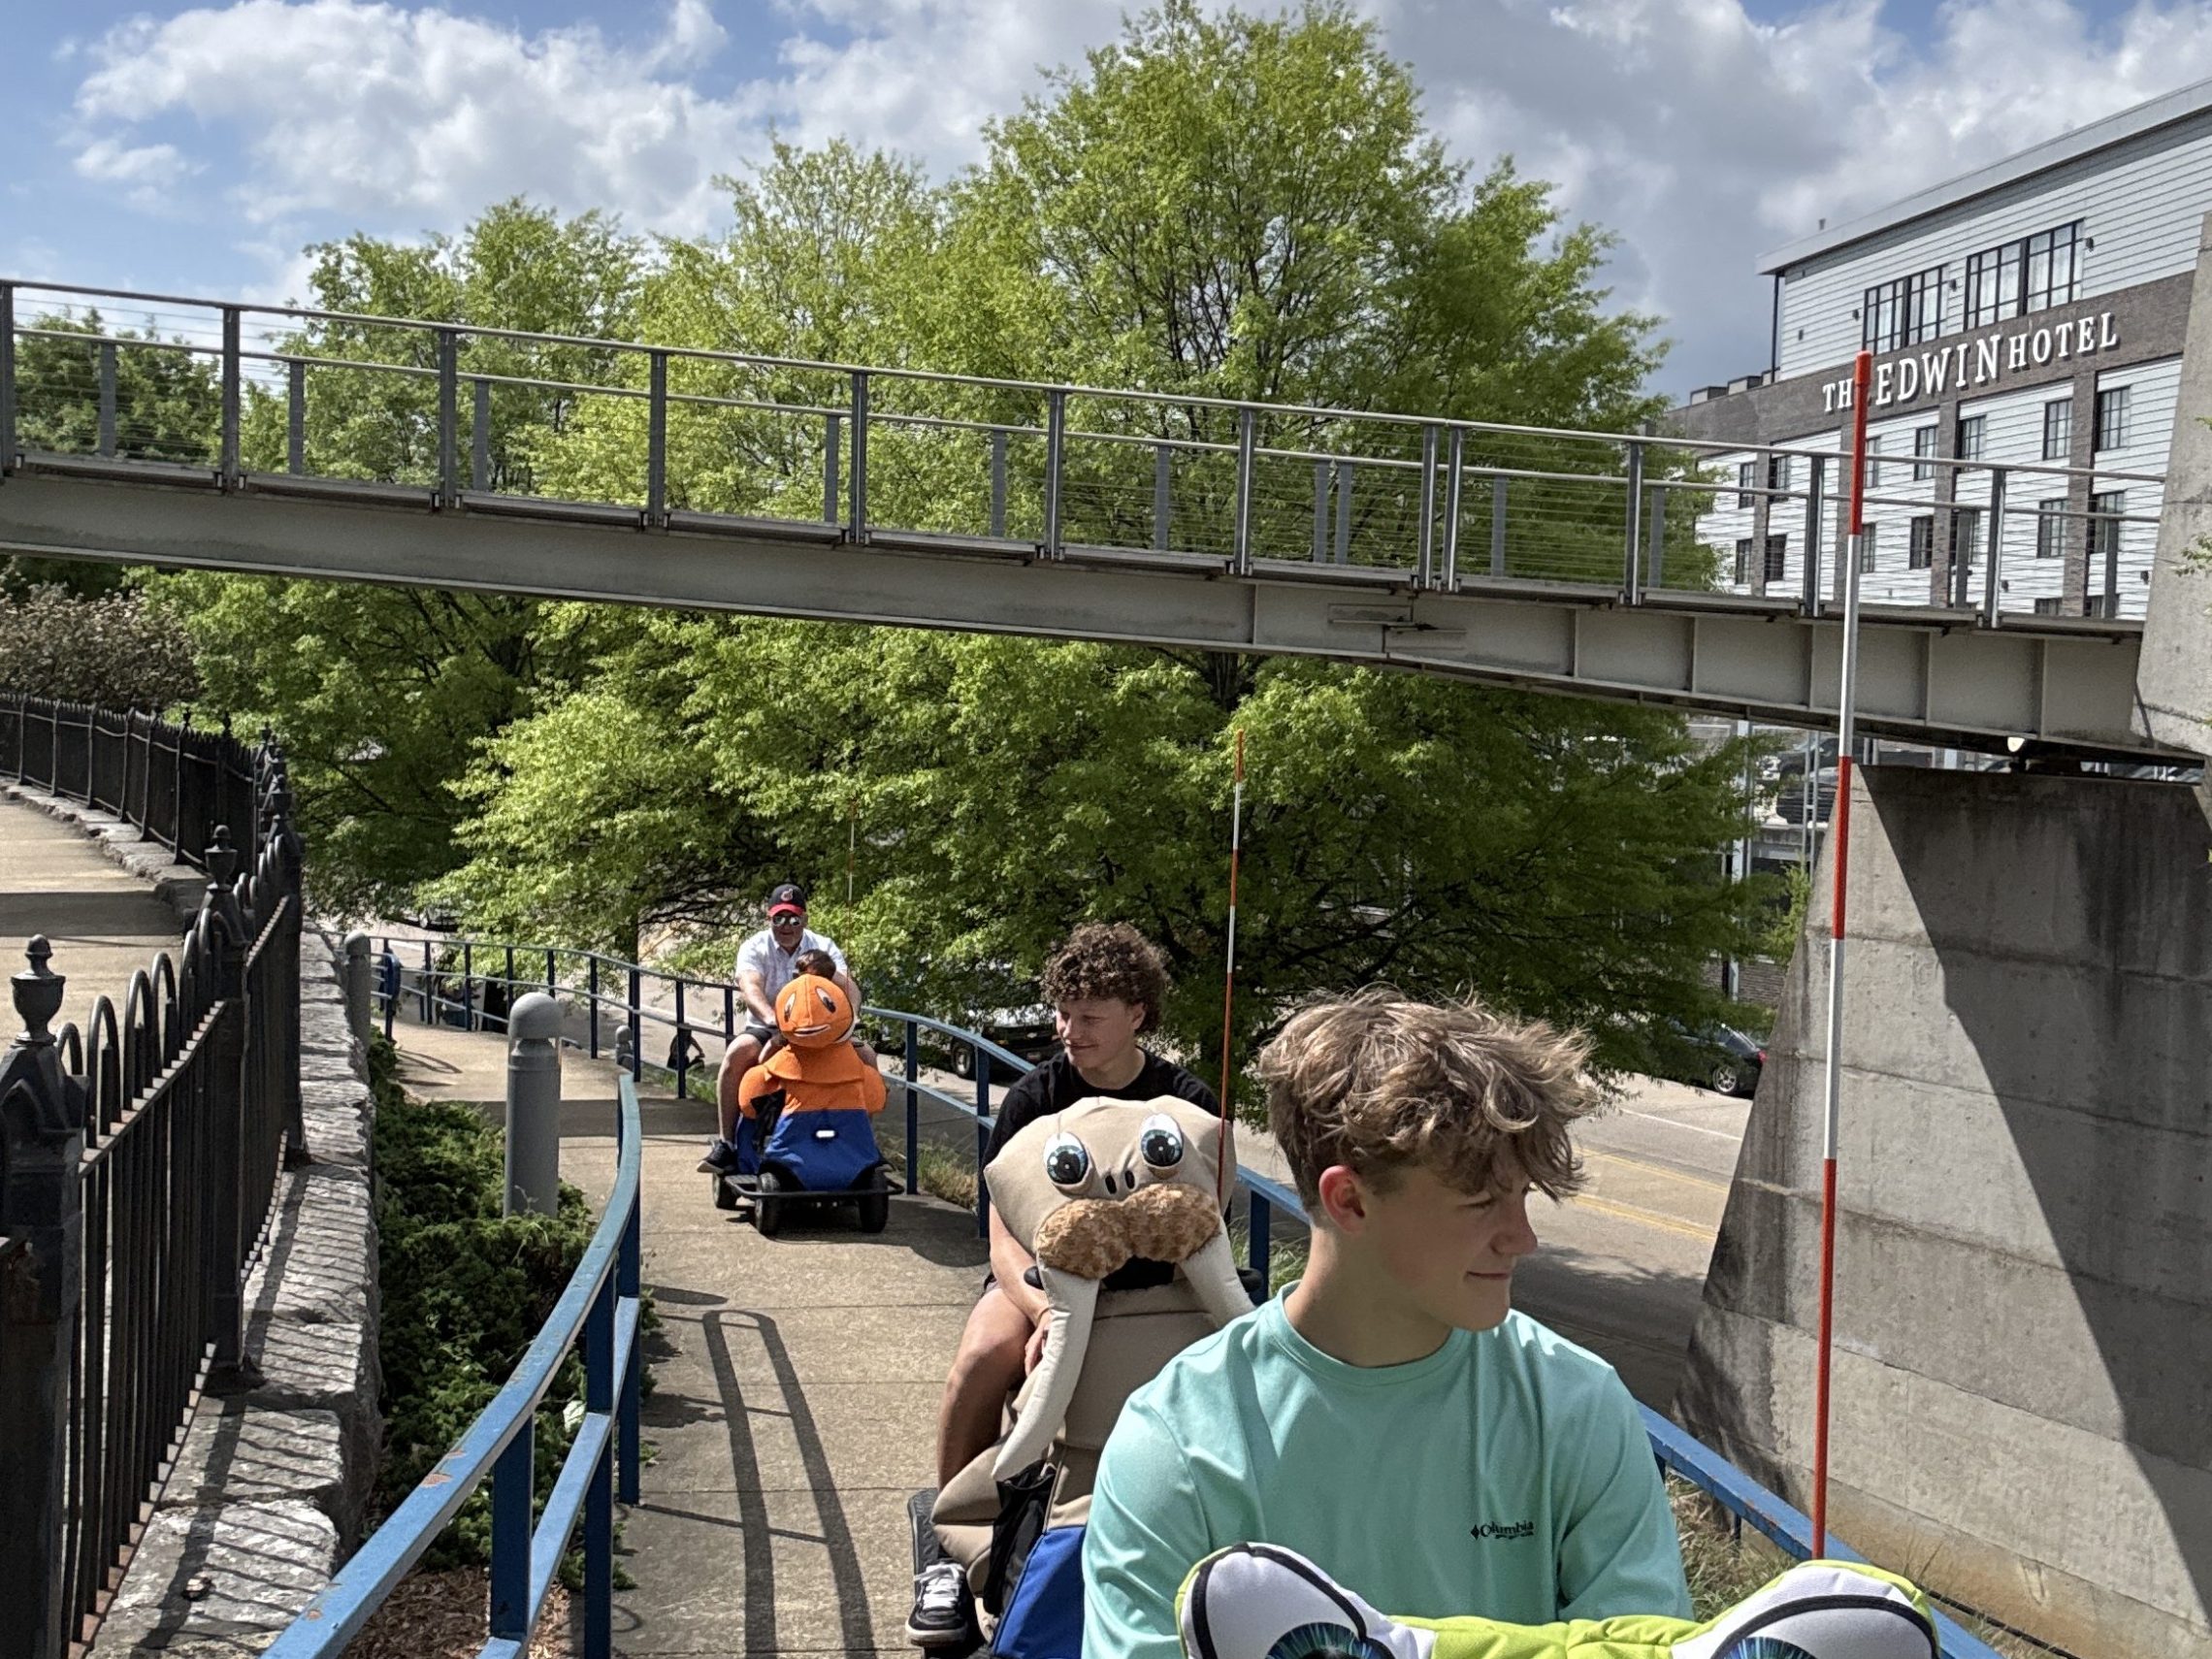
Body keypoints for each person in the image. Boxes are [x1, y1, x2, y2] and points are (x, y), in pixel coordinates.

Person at [1080, 989, 1690, 1659]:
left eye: (1522, 1198)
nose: (1522, 1239)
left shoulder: (1577, 1405)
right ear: (1351, 1201)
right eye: (1483, 1202)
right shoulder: (1176, 1443)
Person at [908, 923, 1219, 1648]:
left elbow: (1203, 1222)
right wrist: (1046, 1308)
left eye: (1087, 1017)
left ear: (1136, 1015)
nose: (1067, 1031)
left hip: (1160, 1284)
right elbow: (1002, 1229)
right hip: (1043, 1280)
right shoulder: (1035, 1097)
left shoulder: (1182, 1098)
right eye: (1063, 1014)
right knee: (985, 1355)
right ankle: (949, 1540)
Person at [700, 884, 869, 1176]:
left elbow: (847, 985)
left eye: (793, 919)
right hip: (772, 1026)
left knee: (866, 1056)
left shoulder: (823, 946)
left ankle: (861, 1139)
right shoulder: (755, 946)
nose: (786, 926)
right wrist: (771, 1018)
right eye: (779, 919)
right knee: (738, 1053)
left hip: (821, 1032)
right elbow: (750, 987)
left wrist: (849, 1019)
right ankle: (727, 1142)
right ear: (769, 919)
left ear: (804, 920)